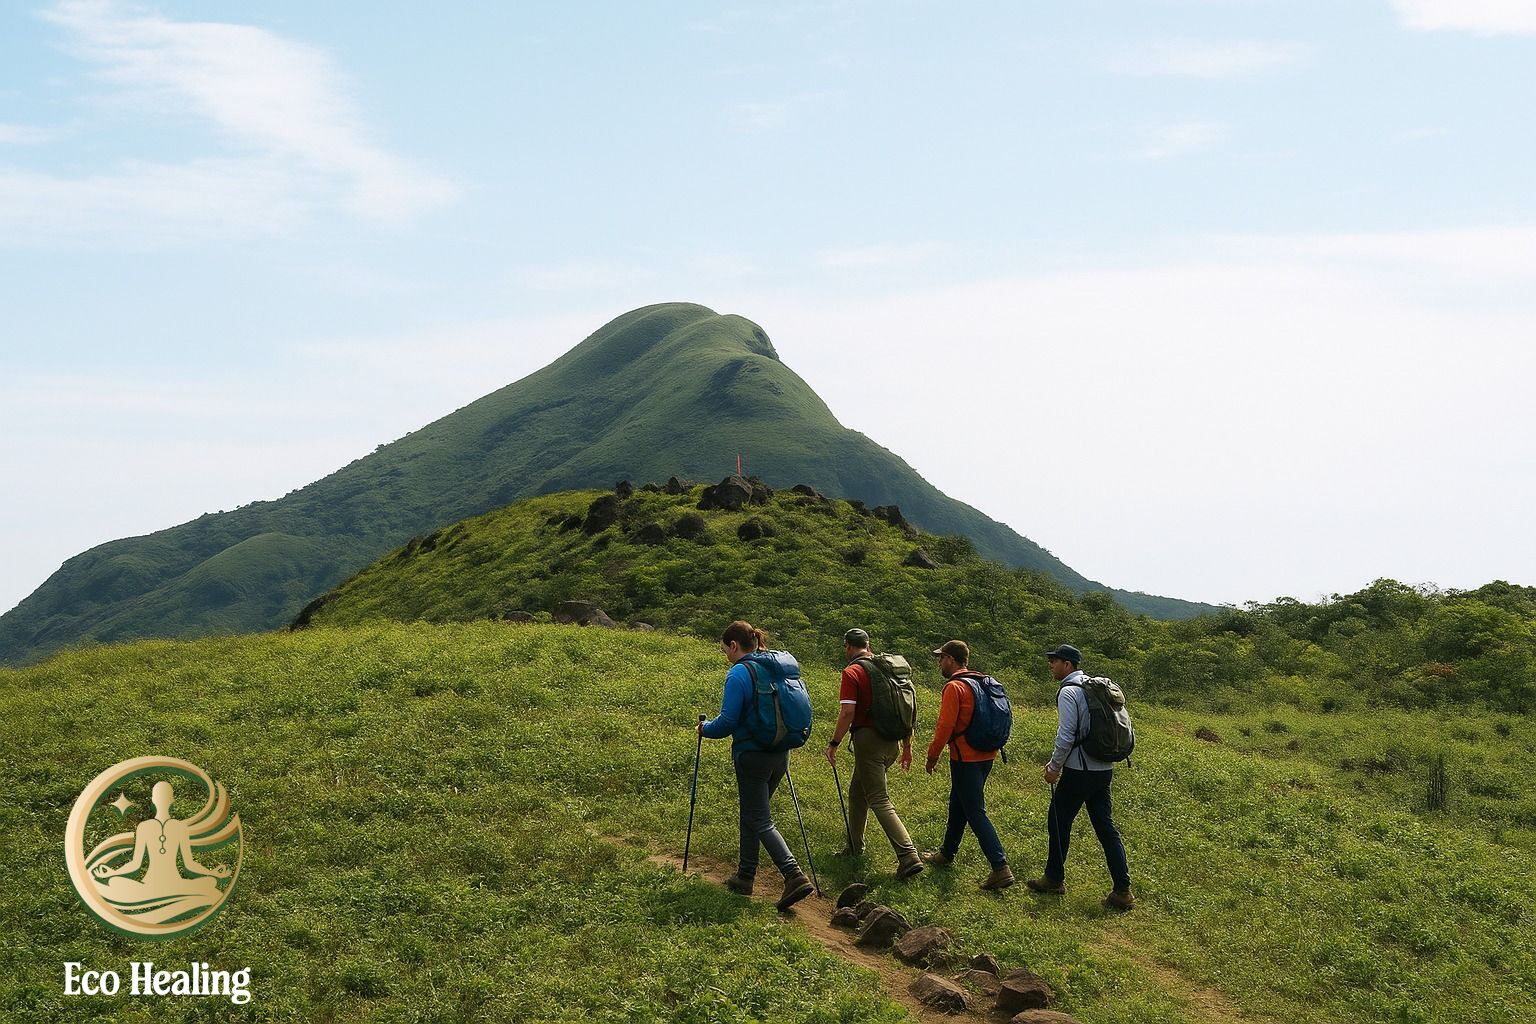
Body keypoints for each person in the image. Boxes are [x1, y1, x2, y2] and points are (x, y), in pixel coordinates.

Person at [698, 619, 815, 911]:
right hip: (780, 752)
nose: (726, 655)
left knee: (760, 818)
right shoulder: (777, 666)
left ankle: (793, 875)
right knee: (753, 812)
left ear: (734, 646)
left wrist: (704, 729)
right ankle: (745, 876)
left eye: (725, 649)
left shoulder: (739, 673)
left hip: (752, 754)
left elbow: (727, 723)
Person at [1027, 643, 1134, 911]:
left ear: (1068, 665)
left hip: (1079, 770)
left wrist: (1053, 768)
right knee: (1106, 828)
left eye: (1055, 660)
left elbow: (1066, 735)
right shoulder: (1095, 687)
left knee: (1058, 820)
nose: (1051, 664)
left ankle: (1054, 879)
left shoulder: (1069, 692)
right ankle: (1122, 890)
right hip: (1104, 770)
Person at [824, 628, 924, 879]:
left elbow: (847, 713)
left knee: (878, 798)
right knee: (858, 792)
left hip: (869, 741)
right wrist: (908, 746)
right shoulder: (889, 668)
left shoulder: (853, 672)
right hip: (893, 741)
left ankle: (908, 855)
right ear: (868, 645)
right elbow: (908, 708)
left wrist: (834, 743)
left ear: (847, 646)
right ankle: (854, 847)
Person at [921, 639, 1013, 890]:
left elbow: (945, 727)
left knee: (974, 810)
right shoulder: (983, 681)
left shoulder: (954, 687)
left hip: (965, 757)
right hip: (988, 754)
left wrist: (932, 755)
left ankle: (1000, 866)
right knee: (958, 802)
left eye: (941, 658)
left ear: (951, 659)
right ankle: (946, 853)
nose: (939, 663)